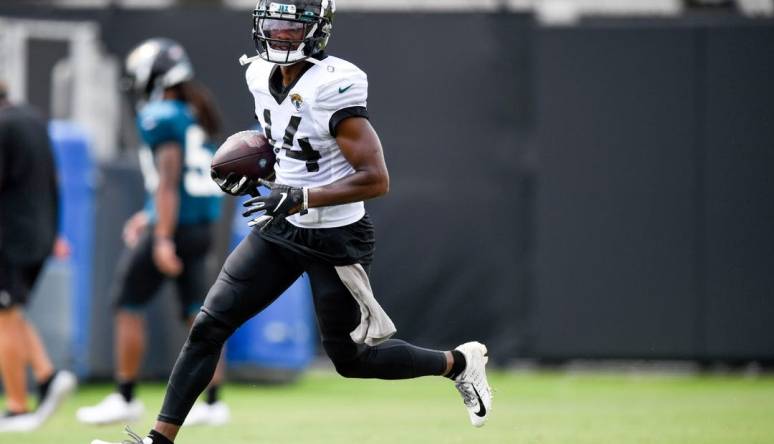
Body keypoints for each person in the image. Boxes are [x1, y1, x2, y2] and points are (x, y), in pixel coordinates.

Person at [92, 2, 491, 443]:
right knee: (209, 325)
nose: (280, 34)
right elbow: (288, 143)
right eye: (274, 23)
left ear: (316, 31)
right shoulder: (258, 75)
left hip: (335, 236)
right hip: (281, 227)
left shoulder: (335, 85)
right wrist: (257, 171)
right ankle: (158, 440)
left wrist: (303, 195)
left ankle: (457, 362)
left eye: (292, 26)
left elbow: (376, 179)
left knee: (351, 360)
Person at [76, 38, 229, 427]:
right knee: (199, 315)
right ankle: (213, 402)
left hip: (174, 227)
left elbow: (168, 180)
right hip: (199, 225)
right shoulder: (194, 111)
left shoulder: (160, 114)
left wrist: (160, 236)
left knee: (126, 303)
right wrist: (150, 216)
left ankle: (125, 395)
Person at [0, 80, 77, 432]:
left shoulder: (4, 126)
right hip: (40, 234)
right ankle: (47, 376)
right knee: (12, 312)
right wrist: (55, 231)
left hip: (11, 237)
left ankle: (17, 407)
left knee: (4, 317)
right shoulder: (32, 119)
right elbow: (52, 180)